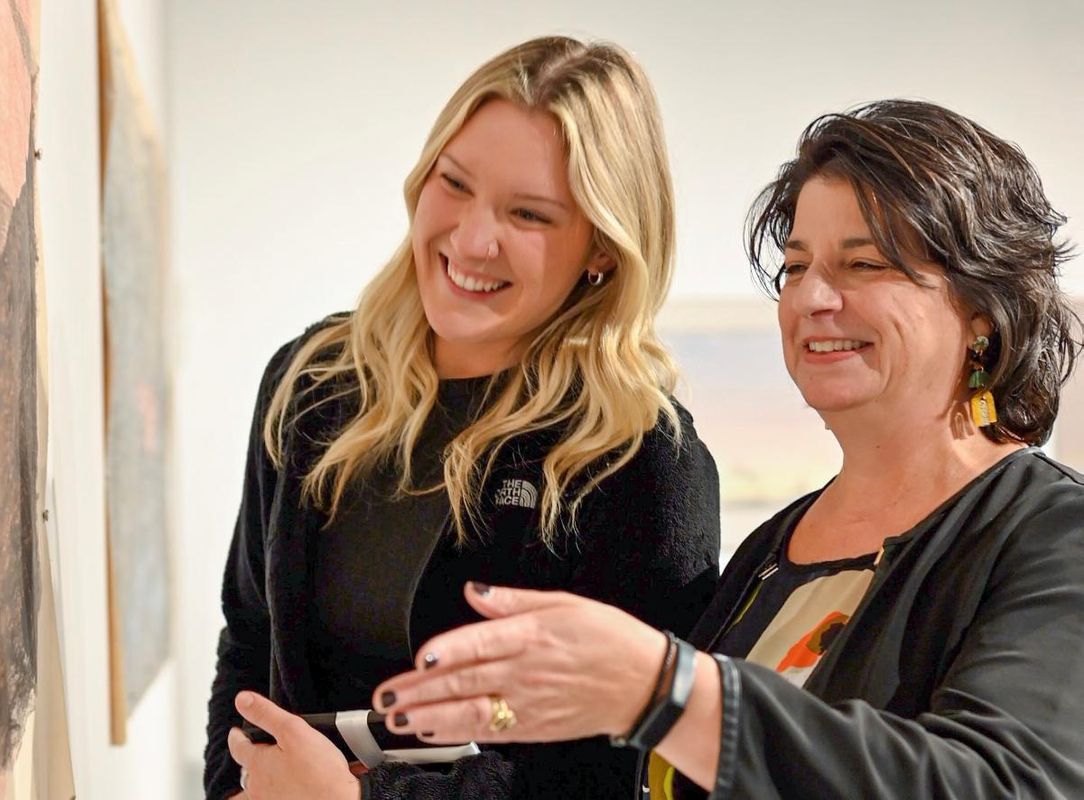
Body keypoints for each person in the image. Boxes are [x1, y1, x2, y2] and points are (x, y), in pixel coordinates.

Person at [372, 99, 1084, 799]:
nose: (812, 298)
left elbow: (1002, 783)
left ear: (985, 314)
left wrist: (667, 690)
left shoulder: (1054, 536)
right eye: (796, 267)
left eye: (863, 265)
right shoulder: (775, 548)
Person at [204, 36, 722, 800]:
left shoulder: (641, 459)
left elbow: (613, 772)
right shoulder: (310, 380)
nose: (474, 239)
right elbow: (249, 640)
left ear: (603, 250)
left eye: (529, 213)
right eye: (455, 183)